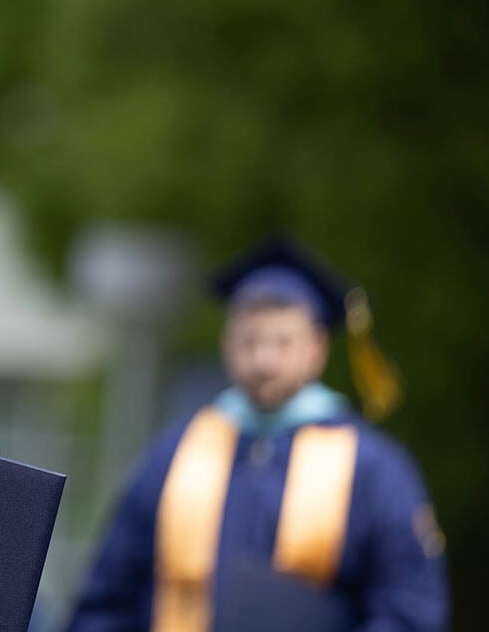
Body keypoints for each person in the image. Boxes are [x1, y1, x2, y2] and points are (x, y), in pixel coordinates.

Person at [66, 234, 449, 631]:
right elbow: (105, 602)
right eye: (249, 341)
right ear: (226, 343)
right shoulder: (175, 454)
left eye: (282, 342)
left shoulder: (374, 469)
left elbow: (410, 610)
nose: (264, 361)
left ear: (317, 347)